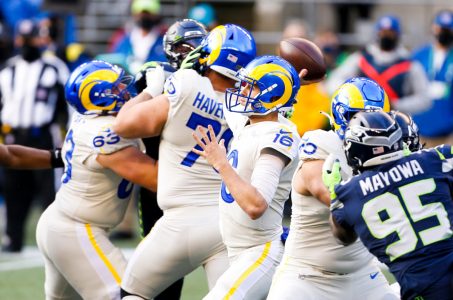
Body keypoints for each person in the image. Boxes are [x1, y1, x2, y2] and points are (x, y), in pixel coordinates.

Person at [113, 24, 256, 299]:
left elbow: (123, 125)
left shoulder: (187, 83)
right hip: (227, 226)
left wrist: (152, 90)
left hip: (179, 221)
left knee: (133, 293)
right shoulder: (250, 108)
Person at [35, 60, 159, 299]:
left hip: (61, 224)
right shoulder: (104, 132)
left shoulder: (92, 119)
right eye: (116, 88)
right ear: (100, 97)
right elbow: (156, 179)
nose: (125, 90)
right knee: (127, 295)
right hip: (76, 230)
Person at [267, 77, 399, 300]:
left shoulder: (387, 152)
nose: (366, 126)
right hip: (307, 276)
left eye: (374, 118)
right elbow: (320, 187)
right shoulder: (322, 143)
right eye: (357, 117)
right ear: (340, 116)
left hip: (362, 276)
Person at [192, 55, 300, 300]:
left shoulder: (278, 136)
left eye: (251, 86)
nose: (241, 92)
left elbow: (256, 204)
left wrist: (221, 163)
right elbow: (231, 106)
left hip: (261, 251)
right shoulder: (250, 124)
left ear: (273, 95)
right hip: (239, 251)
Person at [323, 110, 453, 300]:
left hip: (421, 287)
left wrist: (335, 198)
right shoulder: (436, 158)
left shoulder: (350, 192)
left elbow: (343, 237)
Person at [133, 18, 208, 300]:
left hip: (206, 182)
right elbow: (132, 122)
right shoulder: (158, 75)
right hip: (162, 181)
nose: (191, 52)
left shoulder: (217, 80)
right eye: (184, 47)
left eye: (197, 46)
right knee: (161, 275)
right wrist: (154, 89)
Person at [0, 19, 69, 253]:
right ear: (18, 39)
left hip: (43, 135)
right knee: (13, 190)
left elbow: (67, 105)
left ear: (40, 39)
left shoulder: (54, 67)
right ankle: (13, 238)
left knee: (49, 191)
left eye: (31, 39)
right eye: (23, 38)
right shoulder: (7, 69)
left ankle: (53, 241)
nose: (27, 43)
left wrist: (68, 132)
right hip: (13, 135)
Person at [326, 15, 430, 116]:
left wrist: (396, 104)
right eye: (383, 32)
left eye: (391, 33)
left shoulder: (409, 64)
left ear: (397, 35)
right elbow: (332, 82)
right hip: (363, 117)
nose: (386, 36)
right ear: (377, 33)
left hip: (395, 119)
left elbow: (424, 99)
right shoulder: (361, 58)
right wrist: (354, 97)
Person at [412, 10, 453, 148]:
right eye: (441, 28)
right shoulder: (419, 56)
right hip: (421, 130)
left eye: (448, 29)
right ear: (434, 28)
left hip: (448, 134)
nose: (444, 32)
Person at [108, 0, 166, 74]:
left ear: (156, 15)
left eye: (148, 14)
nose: (144, 17)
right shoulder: (123, 40)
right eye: (141, 14)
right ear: (134, 15)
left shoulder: (163, 42)